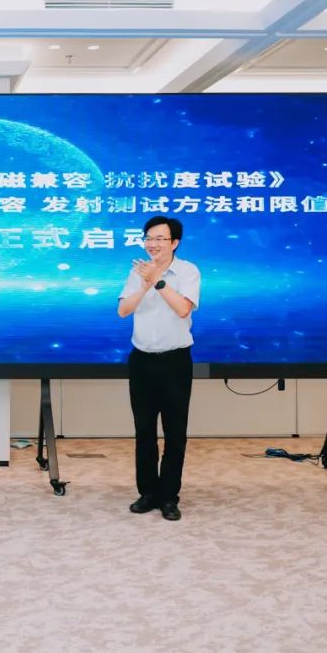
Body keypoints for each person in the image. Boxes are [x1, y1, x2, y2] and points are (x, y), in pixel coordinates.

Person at [117, 216, 200, 521]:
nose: (152, 244)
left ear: (174, 243)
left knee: (175, 433)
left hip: (175, 361)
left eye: (159, 239)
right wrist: (144, 283)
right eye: (148, 238)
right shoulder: (137, 271)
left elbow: (183, 309)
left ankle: (169, 496)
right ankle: (148, 492)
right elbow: (123, 310)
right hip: (141, 360)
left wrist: (159, 281)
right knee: (144, 432)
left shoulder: (188, 271)